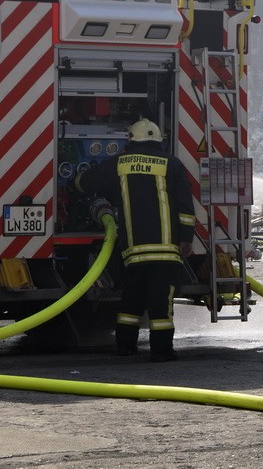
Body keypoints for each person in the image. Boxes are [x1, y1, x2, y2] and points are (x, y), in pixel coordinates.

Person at [75, 118, 195, 362]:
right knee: (161, 303)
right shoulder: (171, 165)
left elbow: (88, 182)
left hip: (134, 252)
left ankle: (125, 347)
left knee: (132, 299)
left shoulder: (120, 163)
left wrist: (74, 182)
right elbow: (185, 207)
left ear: (130, 141)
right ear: (159, 141)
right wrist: (186, 239)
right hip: (165, 251)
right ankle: (161, 351)